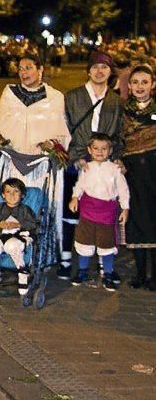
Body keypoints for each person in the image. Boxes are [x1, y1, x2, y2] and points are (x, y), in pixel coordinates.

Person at [0, 54, 70, 277]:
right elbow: (0, 124)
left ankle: (37, 254)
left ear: (40, 69)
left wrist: (51, 143)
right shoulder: (10, 93)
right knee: (9, 204)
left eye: (29, 68)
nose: (24, 72)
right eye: (20, 68)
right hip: (12, 161)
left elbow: (60, 131)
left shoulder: (54, 97)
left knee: (36, 206)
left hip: (39, 164)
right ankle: (5, 254)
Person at [62, 51, 125, 270]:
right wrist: (75, 157)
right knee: (72, 211)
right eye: (95, 67)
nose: (99, 71)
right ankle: (67, 258)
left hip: (104, 164)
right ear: (88, 70)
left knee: (103, 212)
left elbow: (119, 134)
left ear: (110, 72)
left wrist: (114, 158)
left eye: (104, 67)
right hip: (78, 160)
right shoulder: (72, 97)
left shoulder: (116, 101)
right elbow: (64, 130)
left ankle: (103, 260)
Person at [69, 133, 129, 291]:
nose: (100, 151)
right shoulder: (87, 168)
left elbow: (123, 190)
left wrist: (125, 208)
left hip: (107, 212)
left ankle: (107, 274)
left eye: (104, 148)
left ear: (110, 151)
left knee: (106, 243)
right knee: (84, 241)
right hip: (88, 211)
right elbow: (80, 185)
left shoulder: (115, 169)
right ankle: (82, 271)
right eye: (96, 148)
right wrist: (75, 198)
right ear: (89, 150)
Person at [121, 64, 156, 289]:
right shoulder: (122, 111)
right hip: (131, 173)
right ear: (130, 86)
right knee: (135, 221)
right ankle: (140, 273)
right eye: (135, 82)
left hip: (154, 171)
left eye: (144, 82)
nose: (140, 87)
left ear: (153, 85)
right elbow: (116, 140)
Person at [0, 177, 38, 297]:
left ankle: (22, 272)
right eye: (8, 192)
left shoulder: (25, 210)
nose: (12, 195)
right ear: (3, 195)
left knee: (11, 245)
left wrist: (18, 224)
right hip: (1, 235)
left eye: (16, 192)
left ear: (22, 195)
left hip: (19, 237)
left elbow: (33, 224)